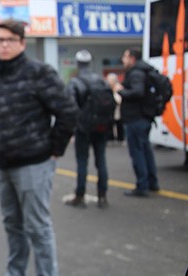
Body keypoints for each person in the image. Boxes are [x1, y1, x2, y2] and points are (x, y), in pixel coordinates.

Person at [0, 19, 78, 276]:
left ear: (22, 43)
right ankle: (15, 272)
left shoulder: (39, 72)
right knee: (12, 225)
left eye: (10, 40)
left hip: (34, 164)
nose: (3, 45)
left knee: (38, 228)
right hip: (1, 166)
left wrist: (54, 150)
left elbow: (68, 112)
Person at [64, 50, 111, 209]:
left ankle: (80, 195)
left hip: (84, 128)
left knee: (82, 162)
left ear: (77, 63)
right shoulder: (101, 80)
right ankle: (102, 195)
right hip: (102, 127)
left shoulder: (75, 82)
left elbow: (70, 108)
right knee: (101, 161)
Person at [115, 47, 160, 197]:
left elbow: (137, 92)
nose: (123, 59)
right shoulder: (144, 71)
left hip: (136, 118)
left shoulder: (136, 73)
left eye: (125, 56)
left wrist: (120, 90)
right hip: (144, 117)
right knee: (146, 150)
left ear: (132, 59)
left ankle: (142, 186)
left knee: (137, 153)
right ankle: (152, 182)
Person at [106, 72, 125, 145]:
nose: (108, 81)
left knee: (119, 124)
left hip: (118, 110)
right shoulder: (108, 87)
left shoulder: (118, 87)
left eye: (109, 80)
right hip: (111, 110)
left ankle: (120, 139)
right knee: (110, 124)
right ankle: (111, 138)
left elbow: (119, 99)